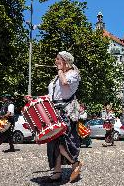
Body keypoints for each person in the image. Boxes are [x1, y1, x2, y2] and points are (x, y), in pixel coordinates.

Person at [45, 50, 82, 183]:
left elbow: (65, 83)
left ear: (65, 61)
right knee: (53, 143)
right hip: (55, 110)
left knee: (64, 142)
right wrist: (34, 98)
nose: (55, 62)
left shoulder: (74, 74)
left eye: (58, 59)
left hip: (66, 111)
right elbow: (51, 96)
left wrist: (60, 71)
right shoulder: (56, 78)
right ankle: (57, 171)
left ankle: (74, 163)